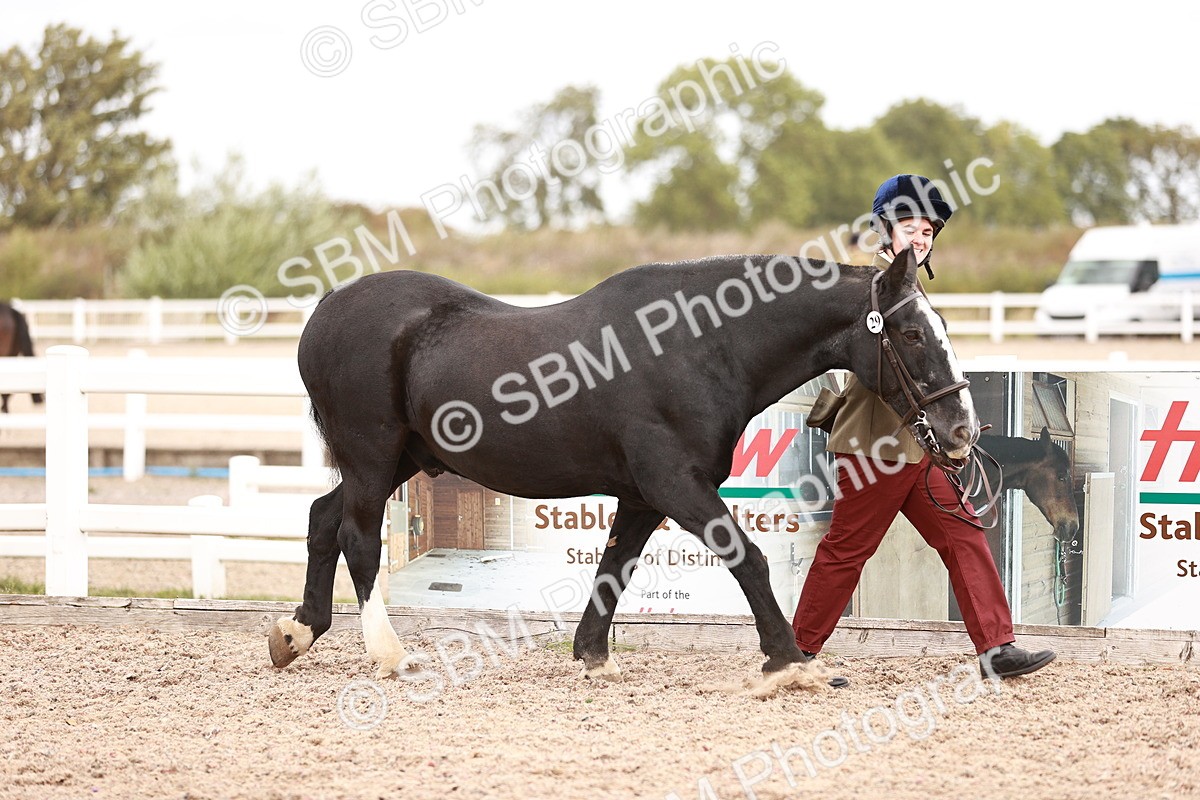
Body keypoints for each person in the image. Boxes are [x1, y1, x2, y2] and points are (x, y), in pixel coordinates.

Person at [792, 174, 1056, 681]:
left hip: (917, 450)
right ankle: (796, 654)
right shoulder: (869, 290)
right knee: (848, 551)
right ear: (885, 230)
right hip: (875, 447)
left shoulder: (907, 288)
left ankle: (996, 649)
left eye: (928, 233)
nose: (919, 240)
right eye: (910, 228)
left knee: (964, 535)